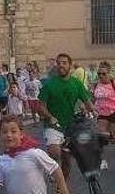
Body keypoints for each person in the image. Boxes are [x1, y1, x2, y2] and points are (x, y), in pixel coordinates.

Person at [38, 53, 95, 182]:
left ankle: (61, 187)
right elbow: (40, 106)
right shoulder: (49, 84)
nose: (61, 65)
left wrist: (93, 111)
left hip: (71, 125)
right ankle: (50, 167)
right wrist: (50, 116)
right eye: (58, 63)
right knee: (55, 153)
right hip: (53, 125)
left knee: (67, 160)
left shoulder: (77, 84)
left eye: (64, 63)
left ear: (70, 65)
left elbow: (88, 102)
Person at [92, 64, 115, 145]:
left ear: (109, 74)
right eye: (99, 74)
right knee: (100, 134)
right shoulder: (96, 85)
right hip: (101, 113)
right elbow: (94, 99)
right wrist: (90, 108)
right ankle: (103, 154)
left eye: (104, 74)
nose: (101, 76)